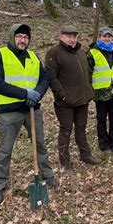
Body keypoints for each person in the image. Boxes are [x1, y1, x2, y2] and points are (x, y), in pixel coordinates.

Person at [0, 24, 58, 206]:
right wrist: (25, 94)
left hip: (32, 109)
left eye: (25, 37)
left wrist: (37, 95)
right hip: (9, 111)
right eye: (19, 36)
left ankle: (47, 174)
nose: (22, 40)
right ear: (12, 37)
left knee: (40, 144)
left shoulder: (33, 57)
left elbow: (44, 79)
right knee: (5, 149)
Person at [45, 25, 102, 172]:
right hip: (65, 102)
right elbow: (51, 77)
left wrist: (89, 90)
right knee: (66, 130)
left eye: (74, 36)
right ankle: (65, 161)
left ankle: (86, 155)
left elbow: (87, 73)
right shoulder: (54, 53)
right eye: (68, 36)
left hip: (82, 99)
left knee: (81, 129)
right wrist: (63, 95)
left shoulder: (81, 51)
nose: (72, 39)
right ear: (61, 36)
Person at [87, 26, 113, 155]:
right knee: (101, 120)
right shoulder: (92, 52)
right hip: (100, 92)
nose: (107, 38)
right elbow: (88, 73)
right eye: (105, 36)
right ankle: (104, 145)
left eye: (109, 36)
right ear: (99, 38)